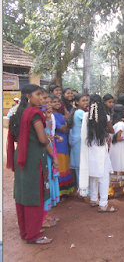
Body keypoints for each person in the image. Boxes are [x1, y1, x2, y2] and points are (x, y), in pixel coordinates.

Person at [7, 84, 59, 244]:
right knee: (34, 195)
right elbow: (43, 139)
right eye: (38, 94)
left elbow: (15, 136)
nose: (40, 98)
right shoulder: (35, 114)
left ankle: (25, 231)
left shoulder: (17, 112)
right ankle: (33, 235)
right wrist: (47, 137)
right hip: (33, 158)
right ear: (28, 97)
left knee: (23, 193)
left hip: (21, 155)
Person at [79, 94, 117, 212]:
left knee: (93, 175)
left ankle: (94, 199)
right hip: (101, 150)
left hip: (89, 150)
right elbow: (112, 130)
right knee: (103, 177)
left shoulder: (86, 116)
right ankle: (103, 204)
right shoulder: (104, 117)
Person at [40, 89, 60, 228]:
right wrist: (53, 157)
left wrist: (48, 118)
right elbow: (45, 139)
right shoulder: (36, 118)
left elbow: (49, 135)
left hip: (49, 150)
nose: (47, 101)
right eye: (45, 98)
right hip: (45, 153)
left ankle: (45, 214)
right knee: (45, 182)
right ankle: (41, 218)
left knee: (50, 181)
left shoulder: (45, 117)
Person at [51, 95, 75, 200]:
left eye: (58, 101)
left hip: (64, 141)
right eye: (53, 101)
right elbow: (60, 128)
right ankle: (59, 192)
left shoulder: (59, 114)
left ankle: (65, 191)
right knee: (60, 167)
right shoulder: (51, 115)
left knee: (65, 165)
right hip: (57, 143)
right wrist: (67, 126)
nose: (57, 103)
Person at [109, 104, 124, 198]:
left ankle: (123, 189)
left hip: (120, 149)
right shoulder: (119, 125)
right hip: (120, 150)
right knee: (119, 166)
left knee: (121, 167)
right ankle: (110, 191)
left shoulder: (117, 123)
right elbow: (118, 138)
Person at [67, 94, 89, 196]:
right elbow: (90, 123)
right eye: (83, 100)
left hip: (76, 140)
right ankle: (84, 191)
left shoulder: (77, 112)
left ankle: (82, 190)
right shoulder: (81, 112)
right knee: (82, 165)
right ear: (77, 102)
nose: (85, 102)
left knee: (79, 166)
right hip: (79, 141)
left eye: (87, 100)